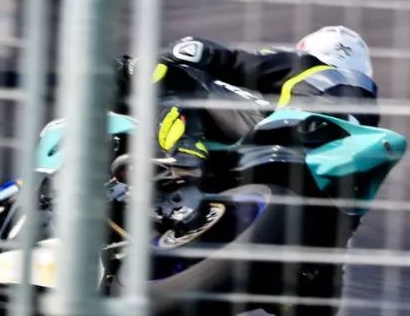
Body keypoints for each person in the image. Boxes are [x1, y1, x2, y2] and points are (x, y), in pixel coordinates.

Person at [114, 25, 379, 224]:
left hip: (281, 133)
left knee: (171, 73)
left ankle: (182, 156)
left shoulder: (310, 65)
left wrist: (182, 51)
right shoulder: (368, 110)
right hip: (317, 194)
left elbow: (234, 62)